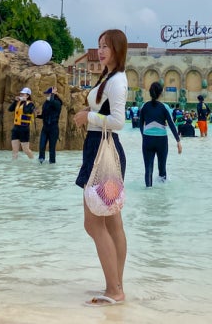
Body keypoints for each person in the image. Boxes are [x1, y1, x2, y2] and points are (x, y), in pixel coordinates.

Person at [73, 29, 128, 307]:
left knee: (94, 222)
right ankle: (115, 284)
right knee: (111, 221)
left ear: (118, 49)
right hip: (100, 148)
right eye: (99, 45)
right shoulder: (108, 77)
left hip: (102, 151)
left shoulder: (117, 81)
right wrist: (91, 115)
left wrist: (89, 117)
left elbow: (118, 121)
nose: (101, 50)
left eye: (107, 46)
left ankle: (114, 289)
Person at [138, 81, 182, 186]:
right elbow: (171, 124)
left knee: (148, 169)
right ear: (161, 93)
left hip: (148, 139)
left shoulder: (144, 106)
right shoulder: (165, 107)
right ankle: (162, 194)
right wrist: (178, 141)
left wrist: (144, 137)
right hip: (161, 141)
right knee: (162, 169)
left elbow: (140, 124)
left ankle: (148, 191)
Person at [37, 85, 62, 164]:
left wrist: (53, 94)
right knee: (41, 146)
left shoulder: (58, 103)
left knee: (52, 149)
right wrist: (38, 115)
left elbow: (52, 102)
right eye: (47, 94)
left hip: (53, 129)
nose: (47, 95)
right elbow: (44, 115)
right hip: (45, 128)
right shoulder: (46, 103)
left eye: (48, 94)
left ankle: (52, 164)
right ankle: (41, 162)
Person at [8, 87, 35, 159]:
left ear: (28, 95)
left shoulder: (31, 104)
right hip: (16, 128)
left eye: (23, 94)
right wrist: (15, 101)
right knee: (14, 151)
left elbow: (26, 111)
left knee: (26, 150)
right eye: (21, 94)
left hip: (24, 128)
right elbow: (10, 109)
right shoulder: (18, 102)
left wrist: (25, 101)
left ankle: (32, 160)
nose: (21, 95)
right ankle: (14, 164)